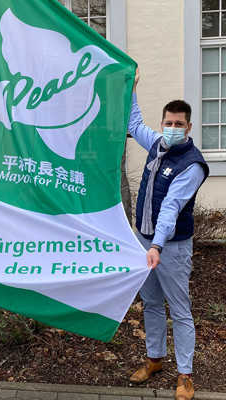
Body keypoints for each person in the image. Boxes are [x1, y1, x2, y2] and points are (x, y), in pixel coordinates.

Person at [127, 69, 209, 400]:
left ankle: (185, 375)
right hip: (145, 240)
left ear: (189, 127)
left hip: (171, 247)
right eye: (168, 123)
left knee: (179, 308)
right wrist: (131, 90)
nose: (172, 129)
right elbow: (133, 125)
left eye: (179, 124)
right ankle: (154, 359)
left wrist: (158, 245)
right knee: (150, 303)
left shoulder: (192, 164)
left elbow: (171, 207)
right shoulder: (158, 145)